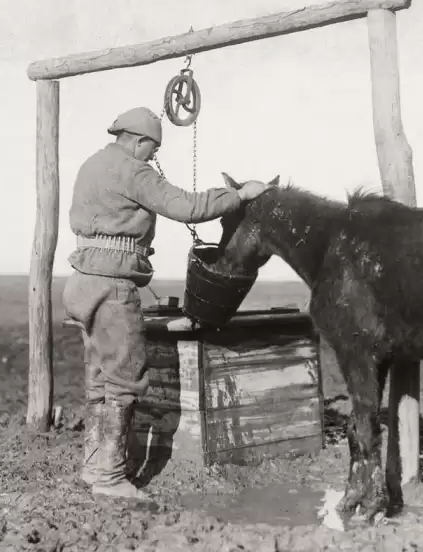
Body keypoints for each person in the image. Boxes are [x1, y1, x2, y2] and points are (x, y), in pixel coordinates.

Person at [62, 106, 270, 499]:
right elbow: (186, 207)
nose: (151, 158)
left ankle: (93, 468)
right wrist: (240, 194)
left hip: (81, 283)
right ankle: (109, 479)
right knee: (124, 381)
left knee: (99, 379)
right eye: (152, 150)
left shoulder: (92, 164)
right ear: (140, 141)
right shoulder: (132, 169)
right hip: (112, 288)